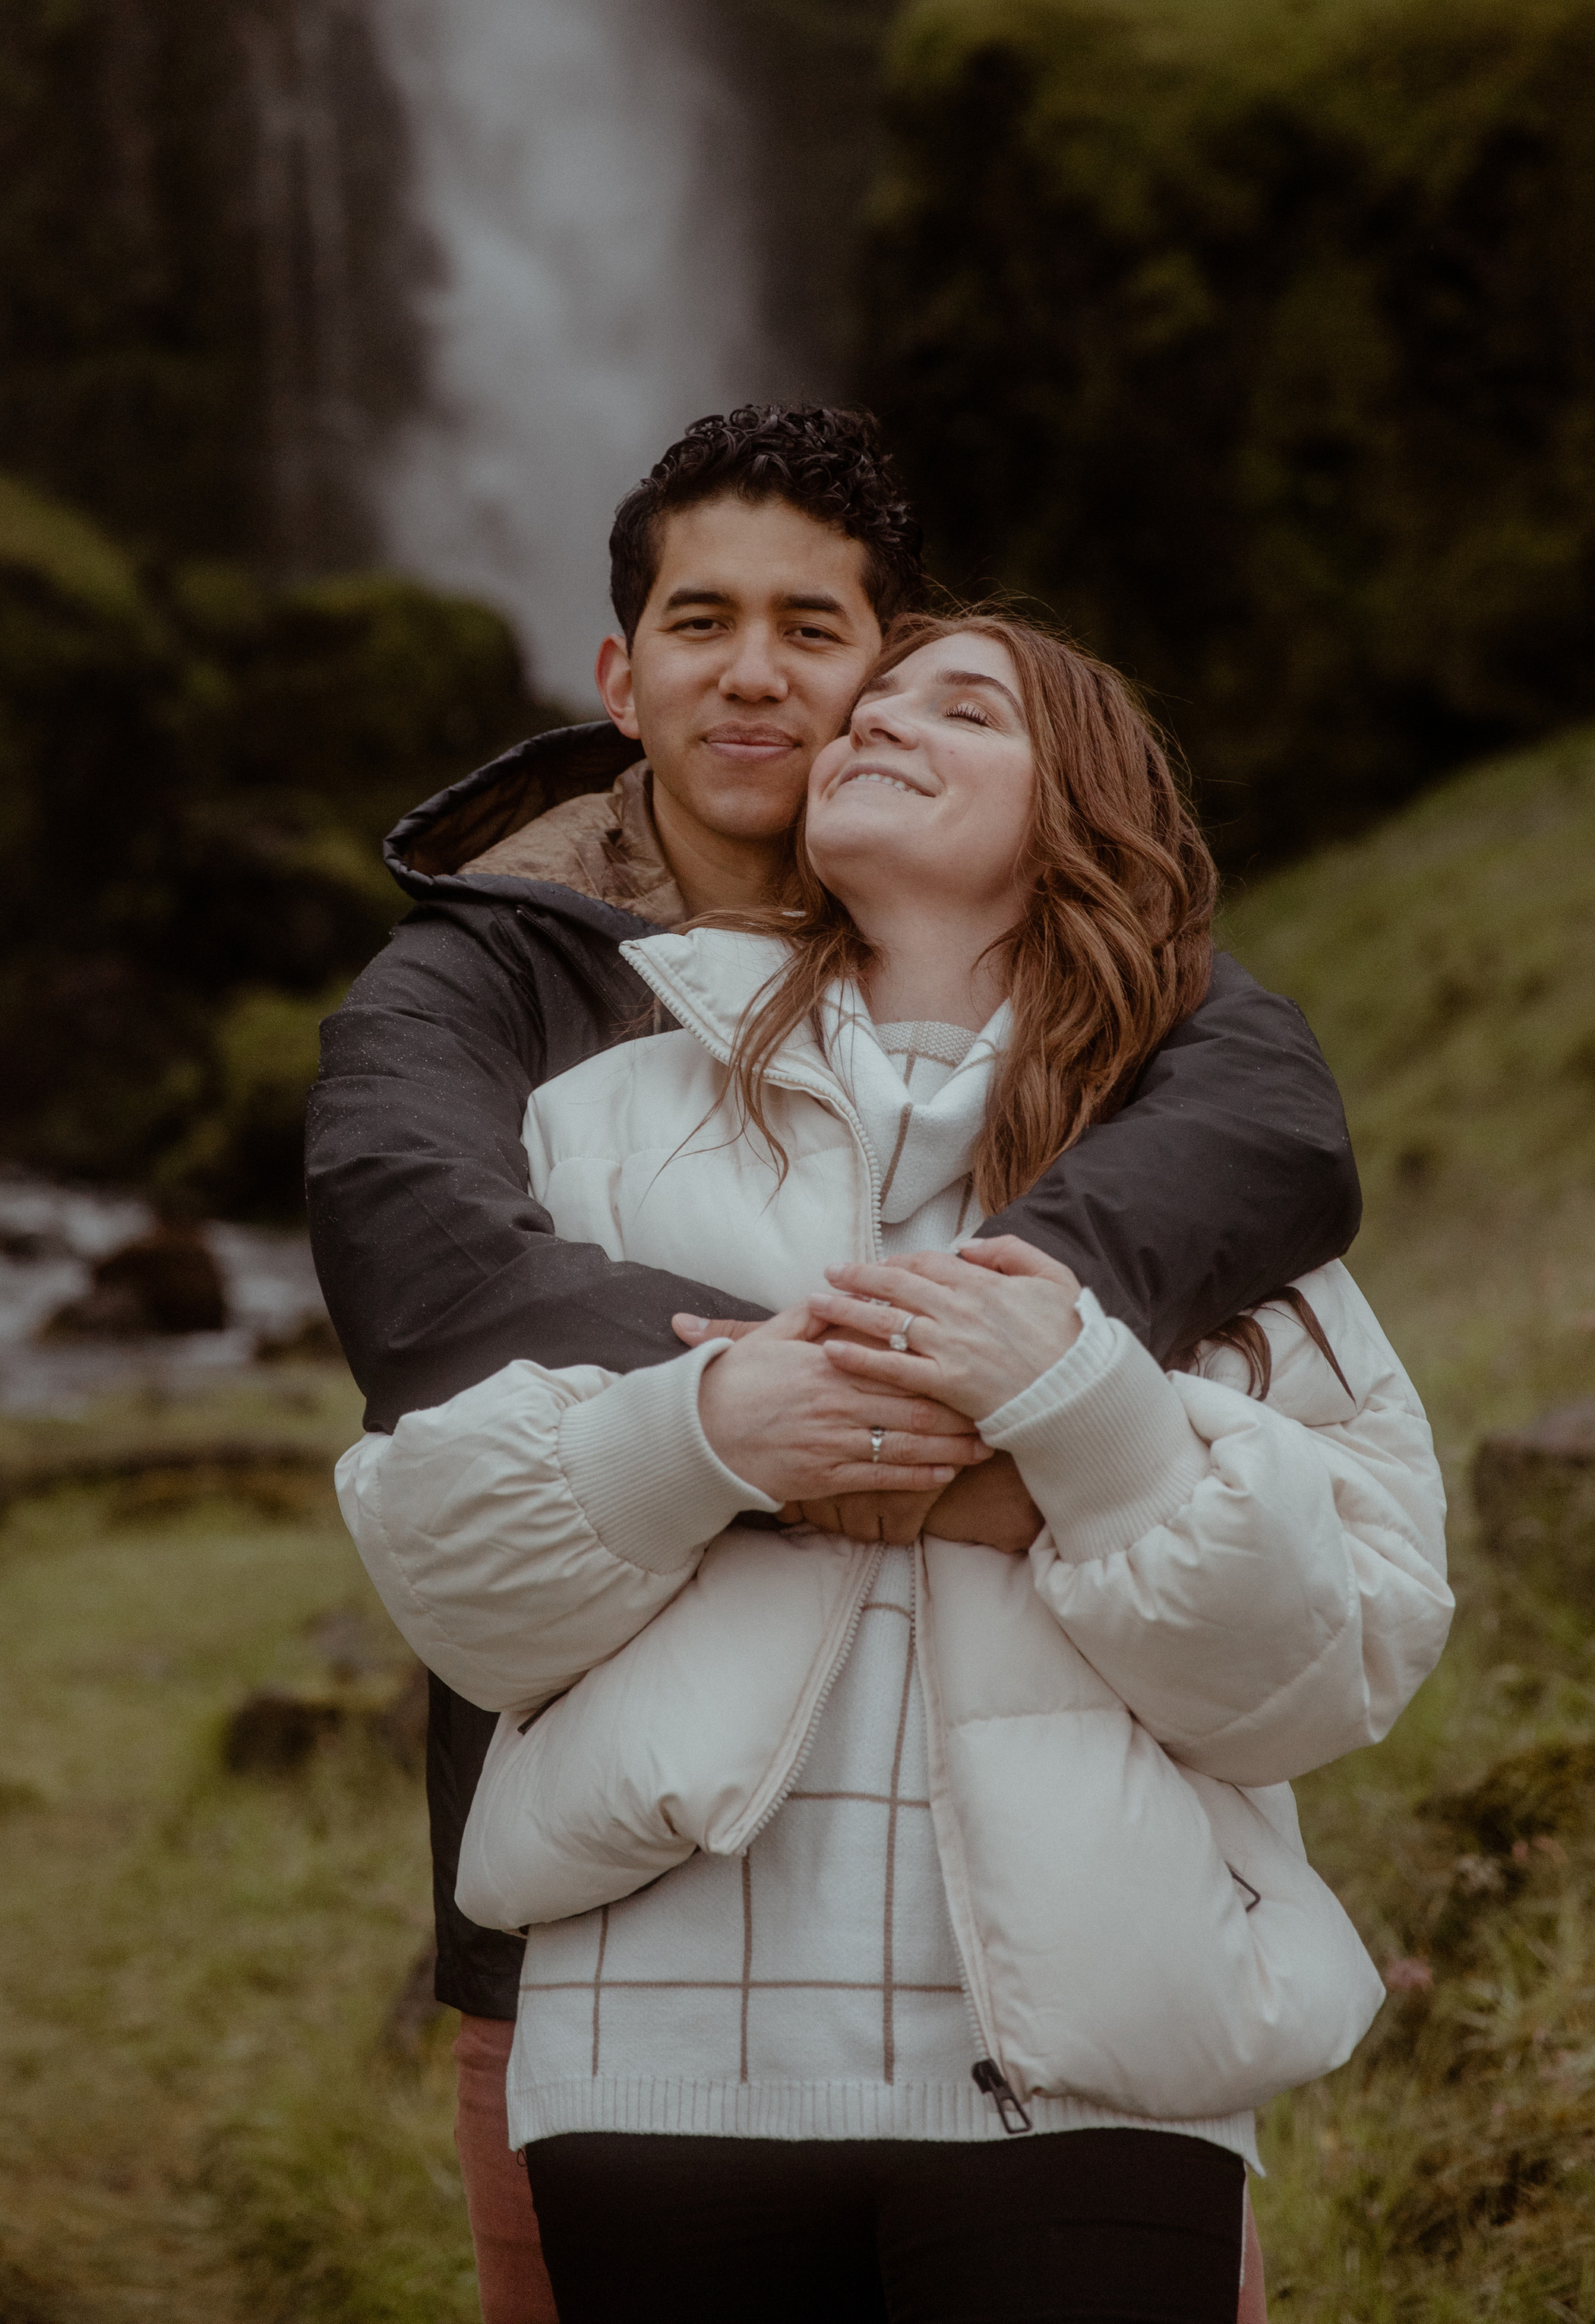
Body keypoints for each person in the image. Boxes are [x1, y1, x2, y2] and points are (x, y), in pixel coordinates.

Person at [305, 406, 1363, 2320]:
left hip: (1047, 1936)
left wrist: (998, 1340)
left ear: (893, 673)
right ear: (620, 678)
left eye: (817, 627)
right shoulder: (481, 974)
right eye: (701, 621)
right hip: (603, 1895)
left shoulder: (1083, 995)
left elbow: (1273, 1130)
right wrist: (802, 1411)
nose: (759, 672)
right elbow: (427, 1272)